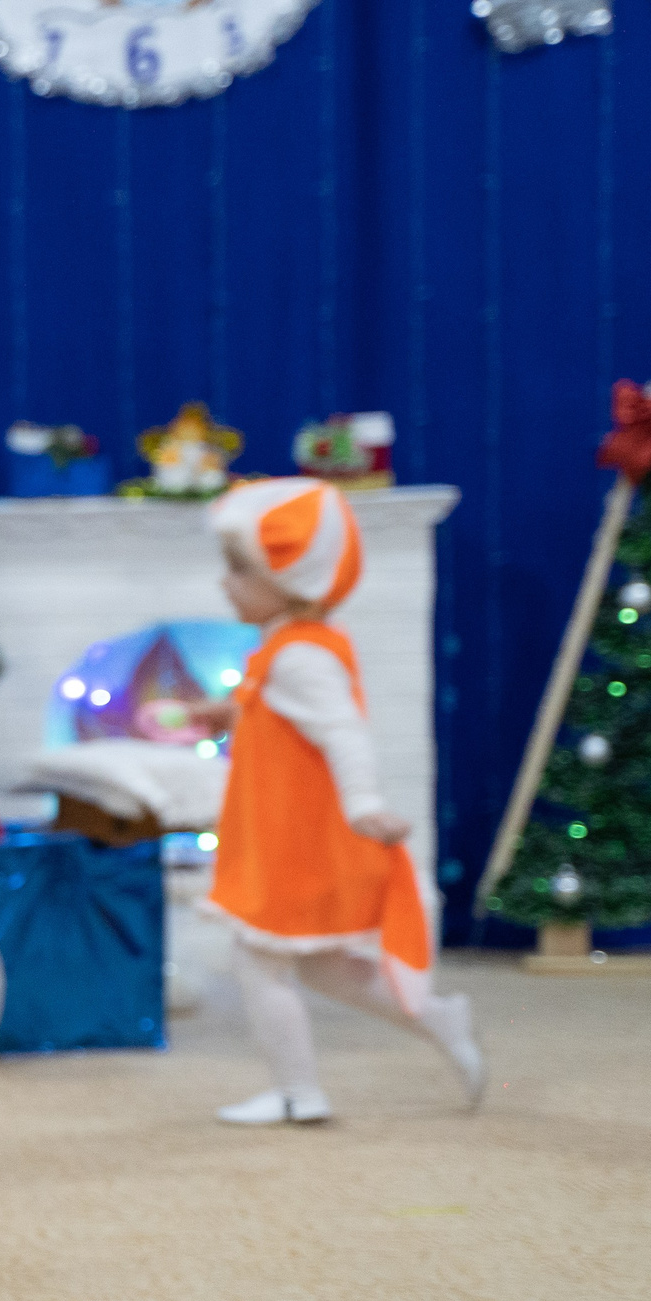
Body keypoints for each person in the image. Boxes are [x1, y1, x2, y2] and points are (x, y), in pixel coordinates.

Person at [196, 477, 484, 1124]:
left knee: (259, 959)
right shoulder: (289, 650)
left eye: (240, 570)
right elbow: (281, 720)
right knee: (323, 967)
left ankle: (299, 1092)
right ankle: (438, 1020)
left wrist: (363, 805)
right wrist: (222, 714)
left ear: (291, 577)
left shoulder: (299, 657)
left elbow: (343, 732)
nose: (226, 583)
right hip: (285, 833)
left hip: (292, 840)